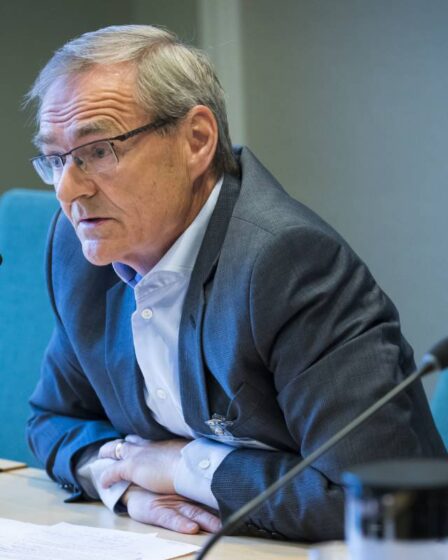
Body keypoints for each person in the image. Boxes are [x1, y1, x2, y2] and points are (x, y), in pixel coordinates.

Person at [26, 24, 445, 542]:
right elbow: (51, 419)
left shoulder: (287, 263)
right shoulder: (78, 251)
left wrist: (182, 468)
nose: (68, 189)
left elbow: (374, 500)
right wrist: (129, 485)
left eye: (99, 151)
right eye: (55, 159)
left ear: (196, 140)